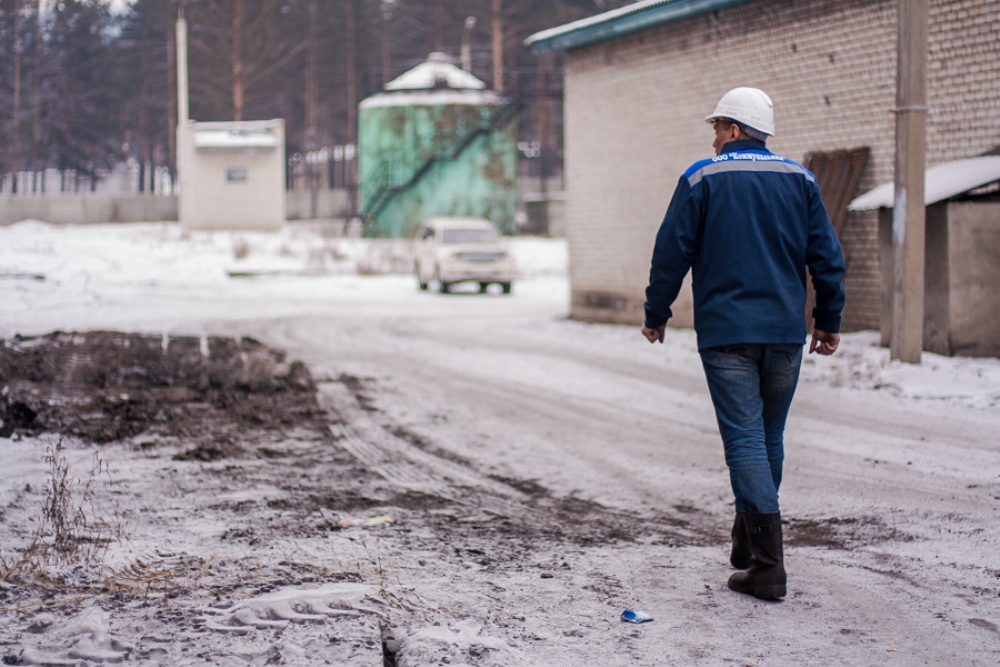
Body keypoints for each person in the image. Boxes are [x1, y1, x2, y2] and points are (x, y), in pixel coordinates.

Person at [641, 87, 845, 600]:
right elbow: (827, 256)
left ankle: (769, 567)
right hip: (784, 333)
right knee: (768, 437)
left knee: (746, 441)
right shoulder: (800, 179)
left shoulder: (701, 178)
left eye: (716, 129)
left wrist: (656, 312)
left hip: (727, 333)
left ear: (734, 129)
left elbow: (671, 251)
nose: (713, 140)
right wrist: (827, 319)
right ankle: (748, 543)